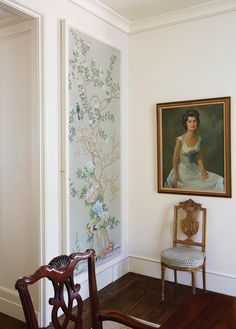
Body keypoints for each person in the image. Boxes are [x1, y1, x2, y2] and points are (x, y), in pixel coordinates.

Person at [165, 109, 224, 191]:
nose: (192, 124)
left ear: (197, 123)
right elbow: (175, 158)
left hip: (195, 169)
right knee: (196, 187)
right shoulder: (180, 139)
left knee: (218, 180)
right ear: (186, 123)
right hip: (182, 171)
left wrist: (203, 170)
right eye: (189, 121)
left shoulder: (198, 138)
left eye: (194, 121)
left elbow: (199, 156)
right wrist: (175, 175)